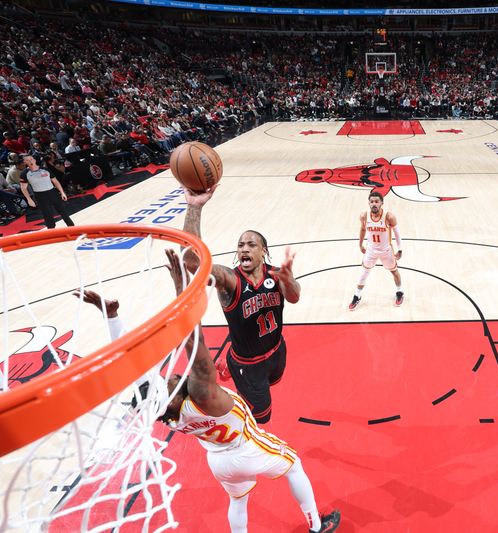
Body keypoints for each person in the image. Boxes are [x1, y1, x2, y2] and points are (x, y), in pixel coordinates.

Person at [74, 249, 341, 533]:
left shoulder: (168, 412)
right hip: (246, 449)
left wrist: (112, 316)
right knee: (294, 465)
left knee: (239, 500)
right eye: (166, 382)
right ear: (173, 395)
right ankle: (316, 526)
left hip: (218, 460)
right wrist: (182, 288)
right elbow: (193, 336)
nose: (169, 376)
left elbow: (130, 362)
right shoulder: (202, 392)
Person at [182, 184, 300, 424]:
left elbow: (295, 297)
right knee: (261, 419)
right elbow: (194, 264)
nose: (244, 248)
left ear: (264, 251)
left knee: (275, 383)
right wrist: (194, 208)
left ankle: (229, 362)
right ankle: (232, 368)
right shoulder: (230, 279)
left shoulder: (276, 273)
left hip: (277, 349)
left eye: (251, 244)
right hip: (248, 365)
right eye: (240, 245)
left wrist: (289, 281)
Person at [348, 190, 403, 310]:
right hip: (371, 250)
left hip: (386, 250)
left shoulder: (389, 216)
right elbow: (362, 229)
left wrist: (400, 249)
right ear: (369, 203)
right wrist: (360, 244)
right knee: (364, 272)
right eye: (371, 201)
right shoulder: (364, 216)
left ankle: (400, 292)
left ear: (381, 203)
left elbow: (397, 233)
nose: (374, 204)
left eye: (376, 201)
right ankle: (357, 295)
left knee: (394, 271)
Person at [19, 154, 75, 229]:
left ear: (34, 160)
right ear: (24, 162)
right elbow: (23, 187)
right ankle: (51, 231)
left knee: (62, 211)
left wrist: (62, 192)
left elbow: (55, 181)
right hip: (40, 195)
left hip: (52, 192)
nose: (30, 161)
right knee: (47, 215)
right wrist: (29, 199)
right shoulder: (24, 174)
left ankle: (72, 227)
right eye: (27, 160)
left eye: (31, 159)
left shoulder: (45, 169)